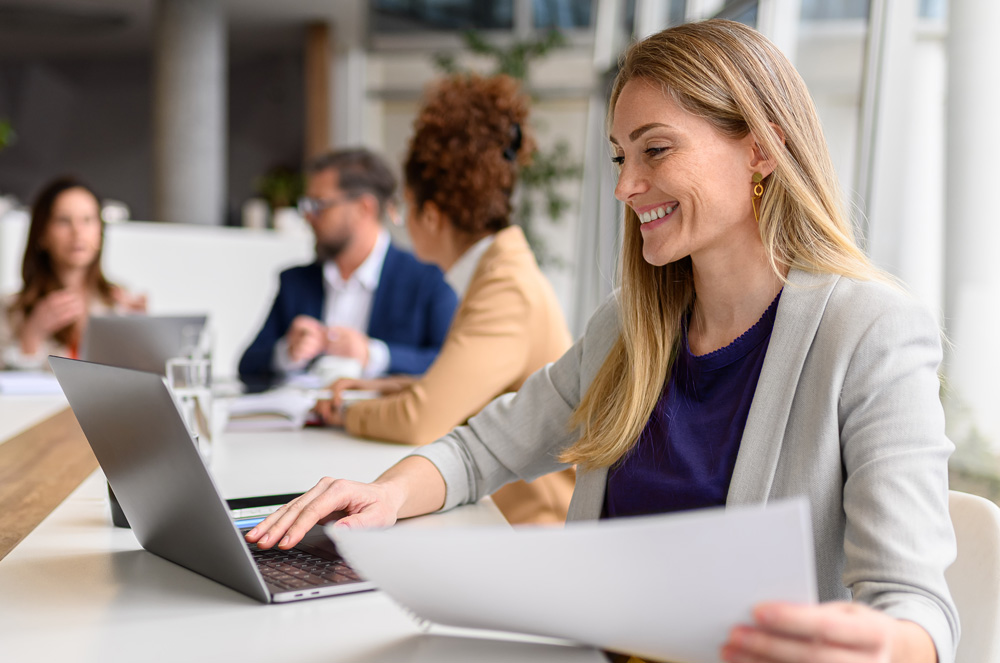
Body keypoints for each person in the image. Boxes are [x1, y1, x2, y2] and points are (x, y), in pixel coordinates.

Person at [247, 20, 958, 663]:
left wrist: (885, 645)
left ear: (762, 148)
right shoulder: (629, 325)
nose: (626, 187)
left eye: (656, 149)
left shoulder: (871, 332)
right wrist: (383, 493)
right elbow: (480, 449)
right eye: (621, 157)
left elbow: (915, 606)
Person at [314, 74, 576, 525]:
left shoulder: (507, 288)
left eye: (405, 207)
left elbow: (423, 418)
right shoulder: (496, 271)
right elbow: (467, 392)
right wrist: (377, 389)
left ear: (432, 215)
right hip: (491, 512)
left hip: (527, 527)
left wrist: (345, 411)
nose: (401, 222)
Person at [237, 148, 458, 386]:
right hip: (301, 408)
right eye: (307, 205)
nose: (309, 217)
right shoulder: (296, 281)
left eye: (318, 205)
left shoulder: (427, 280)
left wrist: (372, 355)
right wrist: (287, 352)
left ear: (364, 208)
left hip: (378, 409)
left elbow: (451, 365)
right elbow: (247, 365)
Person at [1, 177, 147, 370]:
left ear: (100, 233)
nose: (77, 232)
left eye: (87, 220)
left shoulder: (119, 303)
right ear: (42, 234)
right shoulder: (11, 309)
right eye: (64, 221)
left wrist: (141, 332)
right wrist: (31, 337)